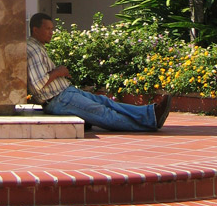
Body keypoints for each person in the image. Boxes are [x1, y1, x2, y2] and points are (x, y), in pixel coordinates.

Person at [27, 13, 171, 132]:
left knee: (106, 102)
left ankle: (150, 113)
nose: (52, 33)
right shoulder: (33, 50)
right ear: (35, 30)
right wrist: (59, 72)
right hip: (57, 99)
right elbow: (39, 83)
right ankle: (147, 123)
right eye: (48, 29)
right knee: (102, 112)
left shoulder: (38, 47)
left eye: (52, 29)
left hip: (64, 93)